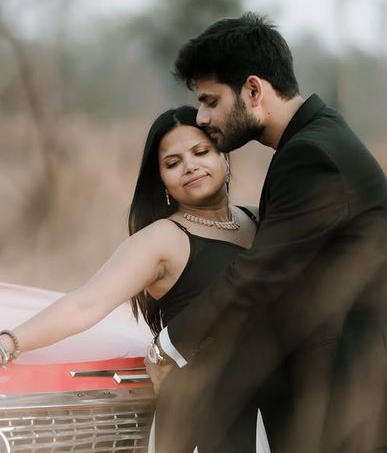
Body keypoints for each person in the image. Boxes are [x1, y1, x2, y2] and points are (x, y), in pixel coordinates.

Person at [147, 13, 387, 453]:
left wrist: (172, 345)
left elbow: (262, 272)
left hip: (353, 398)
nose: (202, 117)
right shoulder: (314, 139)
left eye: (211, 101)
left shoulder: (311, 154)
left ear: (253, 90)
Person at [0, 105, 267, 452]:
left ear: (225, 158)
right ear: (163, 182)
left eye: (201, 152)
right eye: (173, 163)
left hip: (273, 407)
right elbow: (84, 305)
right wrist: (9, 342)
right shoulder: (164, 239)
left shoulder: (264, 221)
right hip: (205, 418)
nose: (190, 166)